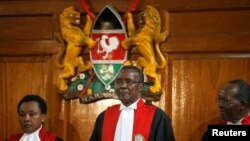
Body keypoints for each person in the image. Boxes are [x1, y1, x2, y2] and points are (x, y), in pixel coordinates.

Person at [90, 65, 175, 141]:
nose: (122, 86)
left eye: (129, 81)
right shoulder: (104, 116)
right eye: (119, 82)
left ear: (140, 87)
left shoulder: (158, 117)